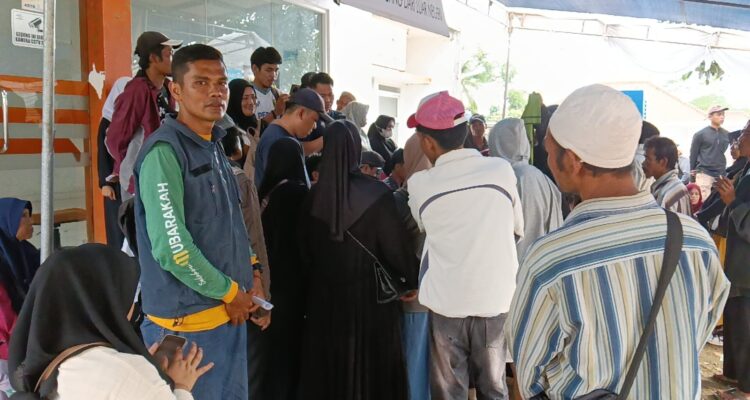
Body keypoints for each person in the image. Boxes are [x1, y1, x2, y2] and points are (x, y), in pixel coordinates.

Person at [505, 84, 730, 399]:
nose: (548, 160)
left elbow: (530, 374)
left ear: (573, 159)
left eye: (549, 151)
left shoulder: (551, 260)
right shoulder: (696, 243)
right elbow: (697, 331)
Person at [133, 44, 263, 400]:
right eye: (201, 83)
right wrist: (232, 292)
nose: (215, 92)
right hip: (188, 331)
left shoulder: (213, 144)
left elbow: (231, 223)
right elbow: (173, 250)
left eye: (221, 83)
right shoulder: (165, 152)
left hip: (228, 315)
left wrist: (253, 272)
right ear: (175, 90)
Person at [407, 91, 524, 400]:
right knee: (494, 389)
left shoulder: (420, 184)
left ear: (428, 142)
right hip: (495, 299)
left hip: (447, 302)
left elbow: (424, 227)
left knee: (449, 392)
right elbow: (517, 229)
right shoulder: (500, 170)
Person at [298, 120, 418, 400]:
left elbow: (303, 252)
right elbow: (395, 248)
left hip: (324, 303)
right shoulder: (376, 193)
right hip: (371, 303)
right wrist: (409, 280)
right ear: (356, 149)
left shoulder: (312, 197)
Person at [8, 244, 213, 399]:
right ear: (108, 300)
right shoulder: (125, 374)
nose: (132, 303)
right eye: (127, 291)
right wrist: (180, 387)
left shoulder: (38, 369)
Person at [220, 126, 272, 400]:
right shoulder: (239, 180)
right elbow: (254, 238)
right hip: (243, 291)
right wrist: (263, 294)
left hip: (211, 294)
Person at [257, 138, 310, 400]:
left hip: (268, 282)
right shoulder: (297, 193)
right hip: (292, 284)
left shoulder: (265, 190)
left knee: (271, 353)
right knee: (289, 353)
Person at [106, 31, 182, 200]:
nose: (173, 60)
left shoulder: (168, 88)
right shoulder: (136, 90)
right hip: (139, 180)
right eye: (169, 54)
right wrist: (131, 165)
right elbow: (115, 139)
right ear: (153, 58)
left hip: (163, 172)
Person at [392, 132, 433, 400]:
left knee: (414, 366)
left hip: (412, 296)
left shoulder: (402, 198)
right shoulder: (445, 192)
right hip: (442, 297)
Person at [488, 118, 563, 261]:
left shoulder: (505, 181)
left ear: (497, 144)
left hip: (517, 265)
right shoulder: (543, 178)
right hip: (545, 261)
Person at [713, 123, 750, 399]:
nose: (740, 138)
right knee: (736, 320)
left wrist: (733, 201)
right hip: (738, 262)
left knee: (746, 327)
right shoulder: (744, 170)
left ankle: (745, 388)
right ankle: (734, 373)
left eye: (746, 134)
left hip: (746, 267)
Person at [254, 88, 330, 187]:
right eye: (314, 120)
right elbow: (282, 191)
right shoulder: (276, 140)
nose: (315, 126)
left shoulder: (282, 135)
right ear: (301, 113)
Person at [97, 77, 130, 248]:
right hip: (114, 184)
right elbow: (102, 153)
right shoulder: (108, 121)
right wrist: (105, 183)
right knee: (117, 226)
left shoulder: (132, 119)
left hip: (130, 181)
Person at [0, 198, 40, 314]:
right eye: (23, 215)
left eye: (29, 215)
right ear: (6, 221)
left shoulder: (26, 251)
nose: (31, 221)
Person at [642, 136, 692, 215]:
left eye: (647, 159)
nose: (643, 163)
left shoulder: (672, 192)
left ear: (663, 162)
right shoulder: (664, 188)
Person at [691, 105, 731, 199]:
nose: (722, 117)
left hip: (721, 173)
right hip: (704, 172)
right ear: (710, 116)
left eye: (723, 114)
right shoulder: (700, 134)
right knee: (703, 200)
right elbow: (693, 154)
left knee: (720, 201)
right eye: (719, 114)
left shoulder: (727, 134)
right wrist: (691, 174)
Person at [302, 72, 345, 154]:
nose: (328, 100)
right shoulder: (304, 117)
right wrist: (331, 135)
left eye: (330, 95)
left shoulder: (340, 117)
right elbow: (301, 149)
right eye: (322, 96)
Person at [250, 47, 288, 128]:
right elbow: (250, 128)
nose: (274, 75)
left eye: (276, 70)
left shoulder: (278, 94)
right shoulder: (245, 95)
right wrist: (275, 112)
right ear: (255, 69)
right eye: (269, 70)